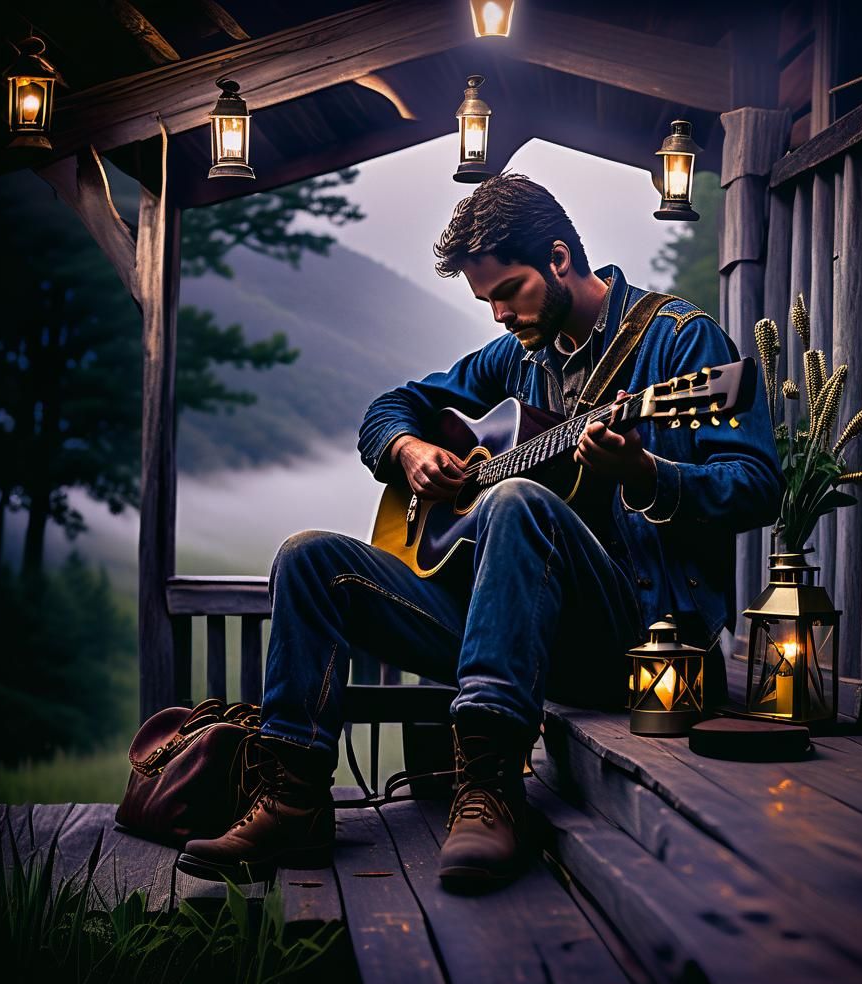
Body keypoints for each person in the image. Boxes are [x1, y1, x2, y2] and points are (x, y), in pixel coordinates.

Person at [179, 173, 782, 888]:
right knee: (310, 560)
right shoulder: (519, 357)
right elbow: (393, 406)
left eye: (508, 292)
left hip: (635, 647)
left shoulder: (682, 343)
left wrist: (648, 473)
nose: (498, 316)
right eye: (485, 300)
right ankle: (292, 800)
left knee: (517, 498)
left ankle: (490, 786)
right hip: (514, 636)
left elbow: (758, 487)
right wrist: (408, 450)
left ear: (559, 259)